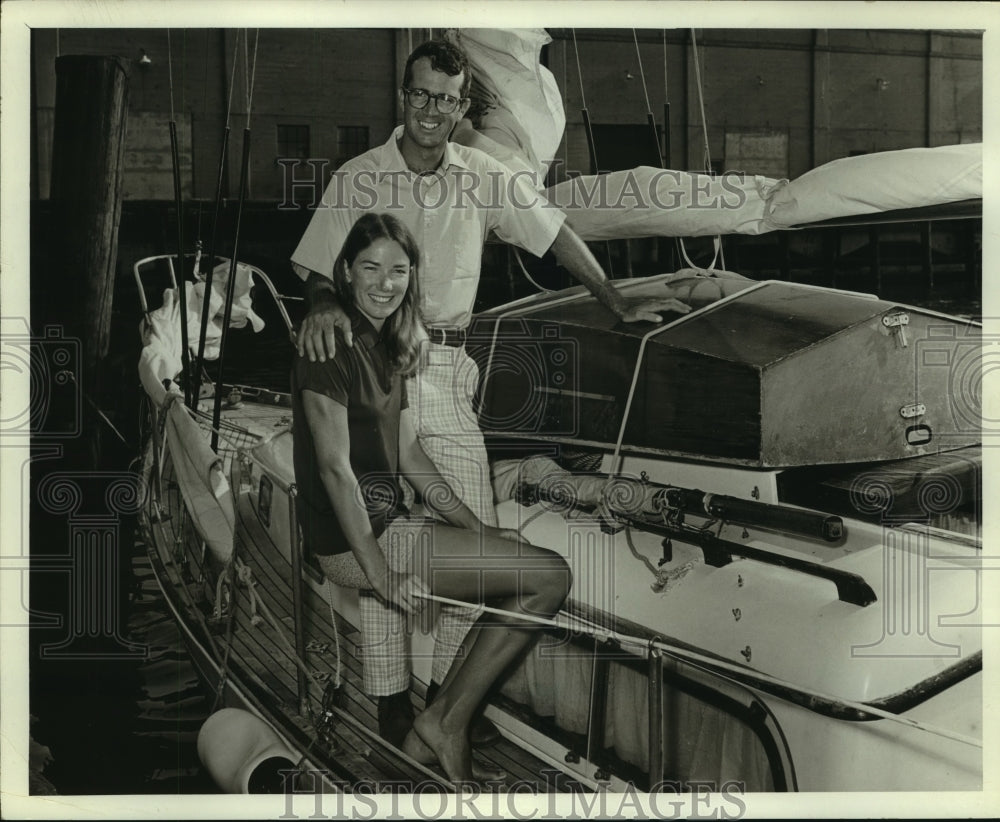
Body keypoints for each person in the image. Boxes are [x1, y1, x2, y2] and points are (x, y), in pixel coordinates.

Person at [291, 38, 688, 747]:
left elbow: (554, 231)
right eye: (421, 95)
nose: (432, 111)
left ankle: (443, 701)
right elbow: (321, 268)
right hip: (372, 362)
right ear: (403, 97)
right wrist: (322, 303)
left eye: (447, 99)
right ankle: (394, 704)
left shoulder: (482, 173)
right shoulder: (358, 177)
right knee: (385, 525)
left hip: (441, 363)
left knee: (468, 532)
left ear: (462, 105)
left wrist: (614, 297)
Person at [292, 212, 572, 783]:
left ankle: (441, 721)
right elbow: (335, 470)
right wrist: (380, 574)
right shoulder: (329, 346)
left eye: (398, 270)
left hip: (388, 527)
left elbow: (411, 455)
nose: (384, 282)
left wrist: (476, 530)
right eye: (369, 267)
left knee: (529, 575)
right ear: (345, 272)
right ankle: (445, 723)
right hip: (356, 542)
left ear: (411, 278)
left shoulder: (388, 345)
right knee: (548, 578)